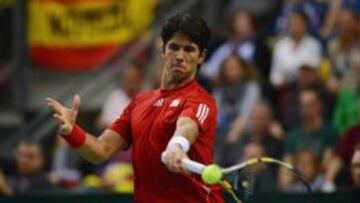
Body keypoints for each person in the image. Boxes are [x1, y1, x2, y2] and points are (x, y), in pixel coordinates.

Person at [46, 13, 224, 202]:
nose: (180, 56)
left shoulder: (200, 101)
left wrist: (177, 147)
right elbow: (101, 150)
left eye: (189, 49)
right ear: (163, 49)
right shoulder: (139, 103)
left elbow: (186, 127)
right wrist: (72, 131)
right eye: (174, 47)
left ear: (201, 57)